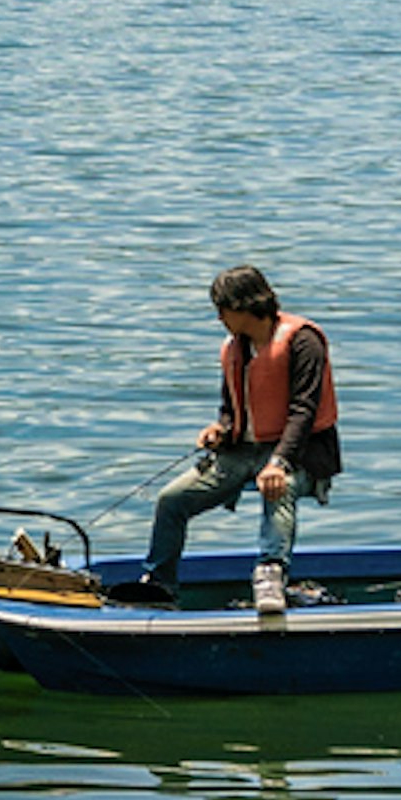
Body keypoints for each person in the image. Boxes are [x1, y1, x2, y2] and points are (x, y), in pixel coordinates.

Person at [128, 264, 340, 617]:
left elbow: (304, 410)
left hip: (301, 452)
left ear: (245, 306)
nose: (219, 317)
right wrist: (220, 429)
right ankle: (159, 584)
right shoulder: (234, 348)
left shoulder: (304, 342)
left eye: (222, 309)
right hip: (242, 452)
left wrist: (279, 461)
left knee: (279, 485)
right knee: (171, 500)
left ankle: (270, 574)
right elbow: (231, 408)